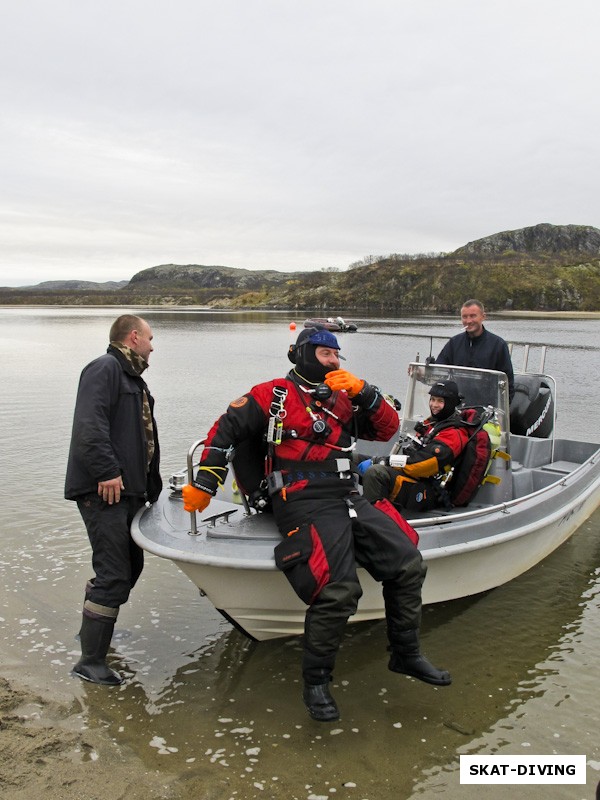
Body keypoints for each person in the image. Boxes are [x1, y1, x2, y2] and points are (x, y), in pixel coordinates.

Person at [181, 327, 451, 723]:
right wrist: (205, 484)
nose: (334, 361)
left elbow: (386, 429)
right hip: (299, 496)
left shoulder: (345, 395)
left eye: (337, 355)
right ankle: (316, 682)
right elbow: (224, 433)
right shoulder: (270, 395)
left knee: (408, 563)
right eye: (325, 354)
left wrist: (365, 392)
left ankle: (406, 655)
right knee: (339, 589)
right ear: (301, 354)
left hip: (346, 493)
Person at [65, 314, 162, 685]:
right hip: (103, 490)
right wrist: (106, 471)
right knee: (114, 574)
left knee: (129, 570)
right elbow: (89, 425)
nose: (153, 346)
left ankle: (92, 628)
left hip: (127, 491)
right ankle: (89, 661)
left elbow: (141, 438)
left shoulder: (132, 377)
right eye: (150, 338)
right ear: (133, 336)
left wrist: (151, 489)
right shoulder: (104, 368)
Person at [361, 381, 487, 509]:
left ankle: (373, 522)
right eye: (432, 399)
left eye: (440, 401)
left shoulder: (454, 434)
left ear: (450, 403)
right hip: (414, 477)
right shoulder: (434, 424)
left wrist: (384, 461)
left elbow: (421, 465)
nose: (434, 405)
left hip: (429, 490)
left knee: (375, 473)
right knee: (353, 459)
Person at [432, 299, 514, 401]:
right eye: (464, 317)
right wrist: (425, 370)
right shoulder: (454, 343)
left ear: (483, 317)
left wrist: (502, 410)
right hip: (457, 405)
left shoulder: (498, 345)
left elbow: (507, 383)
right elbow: (439, 371)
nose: (468, 321)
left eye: (473, 316)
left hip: (486, 408)